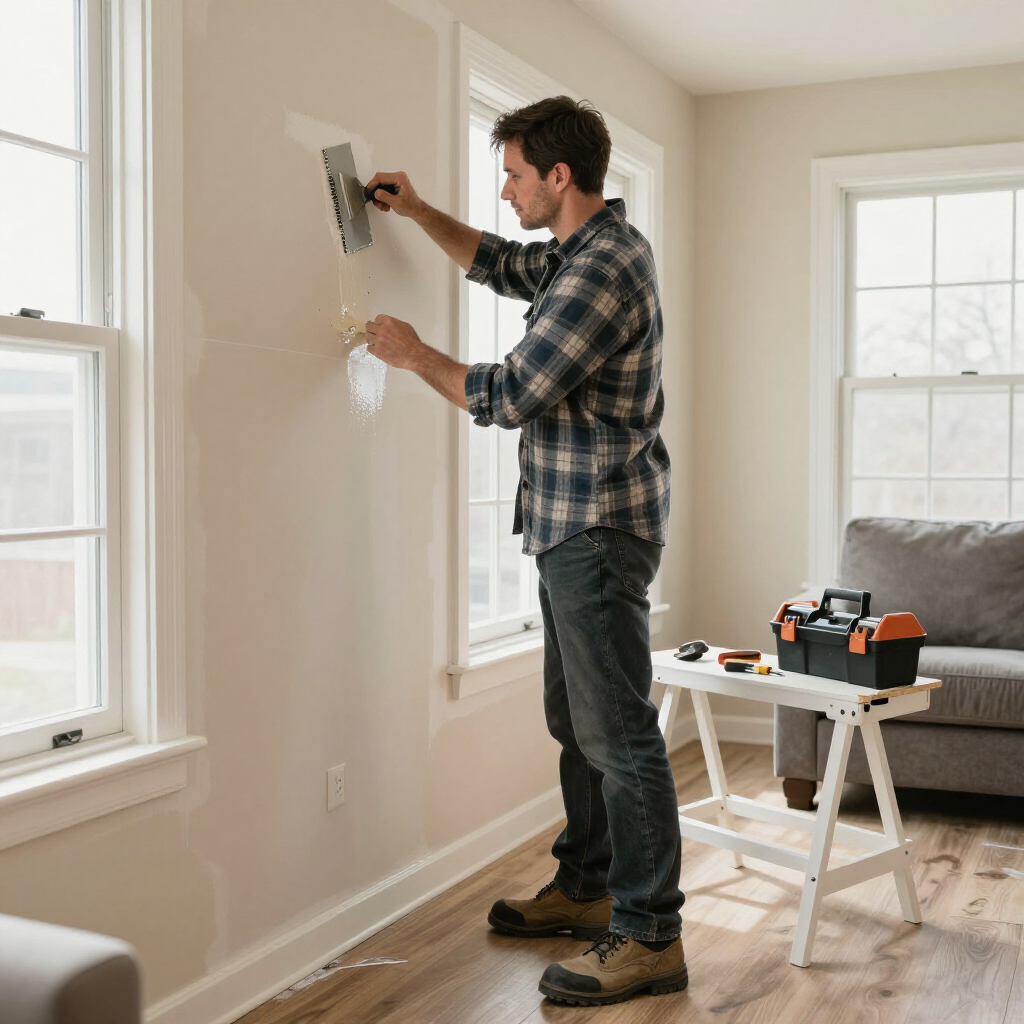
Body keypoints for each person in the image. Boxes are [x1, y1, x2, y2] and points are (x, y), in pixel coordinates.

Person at [363, 95, 685, 1006]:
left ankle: (650, 931)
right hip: (565, 525)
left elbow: (513, 392)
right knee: (577, 721)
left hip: (595, 527)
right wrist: (420, 212)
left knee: (618, 732)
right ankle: (587, 890)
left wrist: (415, 352)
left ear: (559, 176)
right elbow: (502, 264)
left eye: (511, 174)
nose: (503, 190)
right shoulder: (576, 254)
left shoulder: (604, 268)